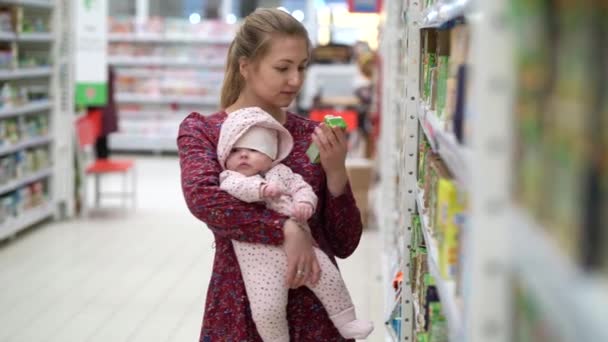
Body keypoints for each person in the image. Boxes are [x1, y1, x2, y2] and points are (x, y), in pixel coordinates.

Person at [177, 8, 366, 341]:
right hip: (241, 307)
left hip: (315, 315)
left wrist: (336, 174)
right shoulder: (205, 131)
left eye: (302, 67)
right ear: (245, 66)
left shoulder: (313, 137)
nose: (295, 80)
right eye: (282, 68)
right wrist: (285, 229)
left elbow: (344, 242)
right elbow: (204, 199)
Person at [217, 106, 373, 341]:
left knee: (329, 278)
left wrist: (305, 204)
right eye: (235, 151)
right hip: (260, 261)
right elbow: (238, 190)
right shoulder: (230, 177)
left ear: (271, 155)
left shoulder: (282, 172)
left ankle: (347, 321)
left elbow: (302, 189)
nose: (243, 155)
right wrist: (261, 189)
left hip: (306, 251)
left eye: (253, 149)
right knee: (267, 309)